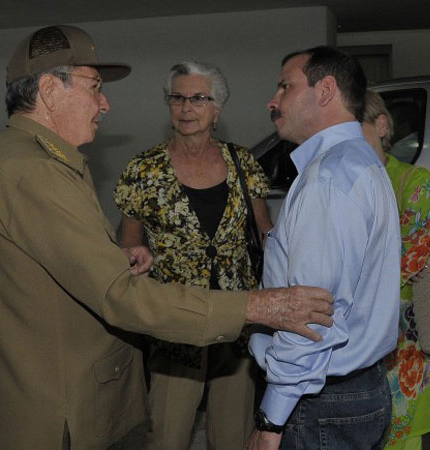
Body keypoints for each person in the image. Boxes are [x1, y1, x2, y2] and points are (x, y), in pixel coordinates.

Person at [0, 25, 336, 450]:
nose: (104, 104)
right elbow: (120, 296)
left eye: (198, 98)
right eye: (95, 88)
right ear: (50, 90)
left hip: (198, 339)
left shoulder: (33, 161)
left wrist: (114, 259)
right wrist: (259, 305)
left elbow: (61, 266)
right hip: (70, 403)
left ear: (217, 108)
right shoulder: (37, 173)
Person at [246, 46, 401, 450]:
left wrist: (271, 420)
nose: (273, 100)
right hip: (355, 390)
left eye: (285, 86)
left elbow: (311, 318)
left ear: (326, 90)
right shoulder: (361, 161)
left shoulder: (328, 178)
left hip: (319, 400)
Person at [114, 60, 273, 450]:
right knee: (167, 433)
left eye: (199, 98)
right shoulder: (144, 170)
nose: (187, 108)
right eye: (178, 98)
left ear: (217, 108)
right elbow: (128, 249)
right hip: (175, 319)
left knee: (233, 435)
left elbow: (265, 235)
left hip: (236, 318)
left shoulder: (242, 163)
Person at [362, 90, 430, 450]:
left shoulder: (412, 180)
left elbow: (412, 257)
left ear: (381, 125)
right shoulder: (342, 181)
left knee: (401, 433)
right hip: (357, 333)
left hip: (402, 330)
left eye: (353, 127)